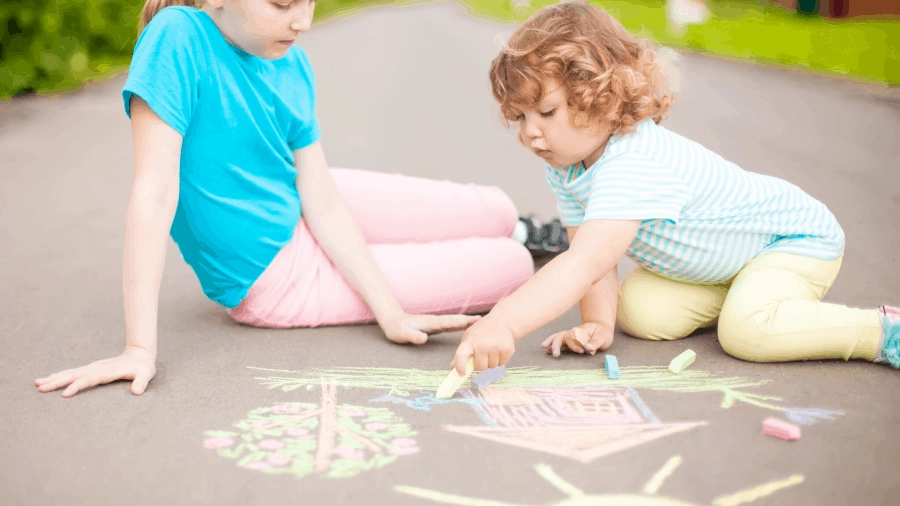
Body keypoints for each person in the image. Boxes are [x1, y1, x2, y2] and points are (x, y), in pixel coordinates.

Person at [35, 0, 567, 398]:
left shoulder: (293, 64)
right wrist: (138, 349)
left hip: (299, 205)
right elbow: (154, 193)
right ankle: (525, 246)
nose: (304, 21)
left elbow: (323, 198)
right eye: (283, 3)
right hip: (276, 274)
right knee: (511, 267)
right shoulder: (177, 37)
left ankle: (516, 227)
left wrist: (385, 307)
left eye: (310, 0)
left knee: (495, 209)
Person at [450, 0, 899, 375]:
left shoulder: (634, 161)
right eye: (521, 117)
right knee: (637, 312)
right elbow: (588, 256)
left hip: (791, 243)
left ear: (600, 98)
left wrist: (503, 322)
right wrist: (598, 322)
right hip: (728, 263)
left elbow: (582, 264)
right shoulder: (567, 166)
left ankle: (881, 332)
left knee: (748, 332)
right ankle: (746, 294)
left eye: (546, 112)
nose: (530, 133)